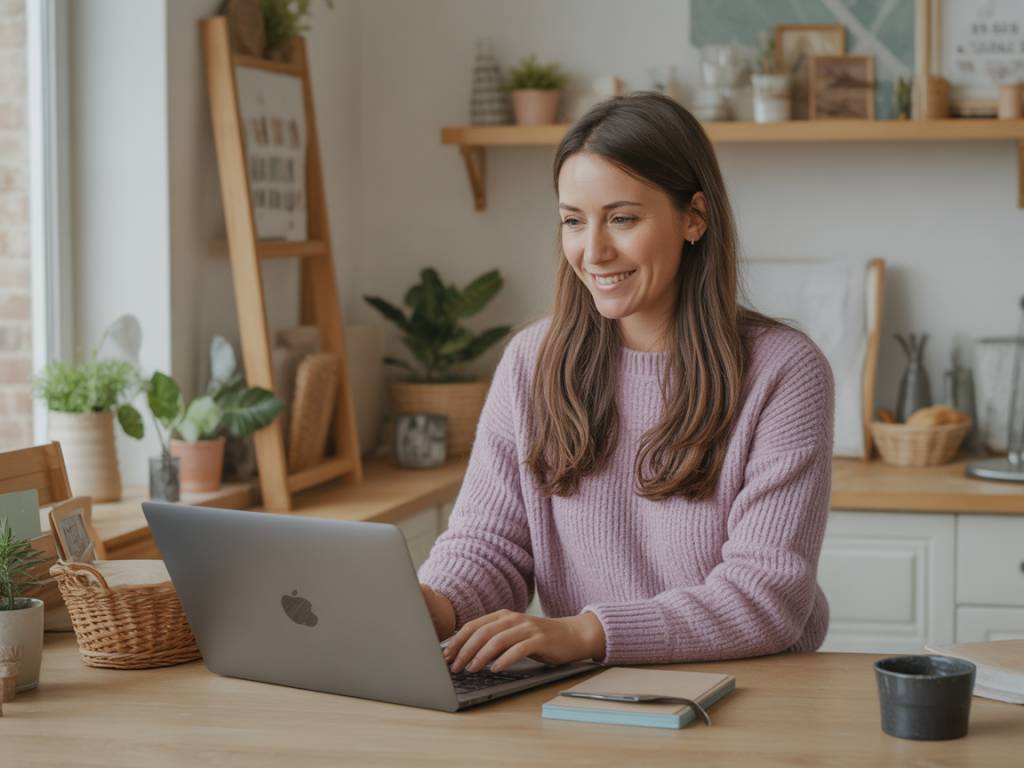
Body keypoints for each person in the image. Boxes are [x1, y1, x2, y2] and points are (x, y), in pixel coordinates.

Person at [418, 92, 834, 675]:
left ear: (694, 216)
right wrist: (428, 608)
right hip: (593, 693)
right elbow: (491, 547)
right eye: (572, 221)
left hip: (752, 690)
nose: (593, 252)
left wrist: (587, 632)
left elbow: (767, 595)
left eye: (622, 218)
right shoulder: (530, 362)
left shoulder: (784, 371)